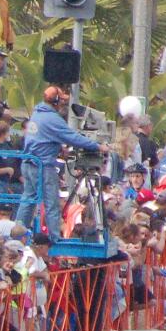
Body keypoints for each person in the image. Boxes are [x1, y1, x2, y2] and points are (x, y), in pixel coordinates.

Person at [17, 86, 106, 231]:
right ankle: (55, 237)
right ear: (56, 101)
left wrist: (58, 148)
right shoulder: (52, 118)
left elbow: (42, 138)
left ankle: (18, 231)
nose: (63, 105)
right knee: (52, 203)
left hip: (29, 163)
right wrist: (98, 146)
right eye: (62, 101)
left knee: (28, 199)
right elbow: (73, 138)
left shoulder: (37, 114)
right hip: (42, 166)